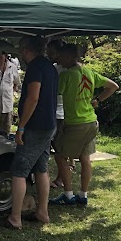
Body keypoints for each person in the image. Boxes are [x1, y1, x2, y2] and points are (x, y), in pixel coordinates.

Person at [0, 36, 58, 229]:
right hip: (49, 125)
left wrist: (21, 126)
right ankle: (42, 213)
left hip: (35, 126)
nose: (20, 54)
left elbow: (33, 98)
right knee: (41, 168)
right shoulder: (50, 67)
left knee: (18, 170)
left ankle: (15, 218)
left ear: (27, 49)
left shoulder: (35, 67)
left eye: (21, 50)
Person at [49, 44, 119, 207]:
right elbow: (113, 86)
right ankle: (83, 195)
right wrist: (98, 100)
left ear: (68, 57)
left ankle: (68, 195)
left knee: (60, 156)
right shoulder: (89, 72)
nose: (59, 60)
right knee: (85, 158)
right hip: (91, 122)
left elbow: (53, 94)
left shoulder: (66, 76)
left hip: (75, 124)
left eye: (60, 57)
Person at [46, 39, 72, 189]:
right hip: (52, 111)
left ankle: (61, 178)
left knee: (60, 150)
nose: (49, 55)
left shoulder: (69, 70)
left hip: (62, 114)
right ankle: (52, 177)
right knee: (50, 148)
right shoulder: (54, 67)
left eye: (52, 52)